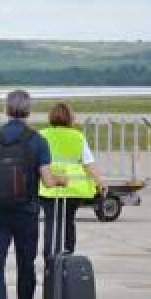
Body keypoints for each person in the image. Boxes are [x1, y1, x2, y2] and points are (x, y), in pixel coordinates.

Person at [0, 90, 67, 299]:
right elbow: (47, 181)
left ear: (6, 110)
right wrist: (61, 180)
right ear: (28, 111)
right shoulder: (37, 141)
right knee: (26, 266)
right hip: (26, 212)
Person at [39, 102, 105, 256]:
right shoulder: (78, 137)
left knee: (51, 223)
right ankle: (68, 256)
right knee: (68, 222)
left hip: (48, 188)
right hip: (72, 189)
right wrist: (100, 182)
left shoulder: (42, 135)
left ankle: (50, 258)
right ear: (70, 118)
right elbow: (89, 163)